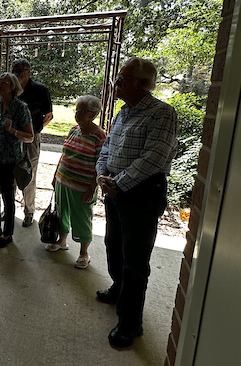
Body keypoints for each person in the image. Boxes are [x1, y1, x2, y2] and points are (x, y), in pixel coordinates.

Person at [95, 58, 178, 349]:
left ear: (143, 84)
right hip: (114, 190)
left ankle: (131, 323)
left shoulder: (162, 113)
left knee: (135, 260)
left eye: (123, 79)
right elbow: (107, 147)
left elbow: (154, 159)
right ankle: (118, 290)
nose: (116, 83)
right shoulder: (123, 113)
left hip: (141, 194)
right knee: (113, 246)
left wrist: (118, 183)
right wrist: (102, 175)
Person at [47, 95, 106, 269]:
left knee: (82, 219)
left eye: (82, 111)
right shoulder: (73, 130)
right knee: (62, 213)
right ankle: (62, 241)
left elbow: (100, 165)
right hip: (62, 181)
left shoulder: (99, 137)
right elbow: (64, 154)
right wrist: (55, 175)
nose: (77, 114)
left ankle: (84, 253)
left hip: (82, 187)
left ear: (93, 114)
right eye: (77, 110)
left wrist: (92, 188)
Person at [0, 73, 33, 248]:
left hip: (9, 160)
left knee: (8, 197)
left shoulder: (21, 108)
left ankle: (7, 233)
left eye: (5, 83)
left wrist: (13, 131)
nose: (0, 85)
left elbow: (30, 137)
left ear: (13, 86)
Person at [11, 59, 53, 227]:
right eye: (14, 70)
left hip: (31, 139)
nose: (16, 74)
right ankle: (9, 208)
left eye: (19, 70)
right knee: (10, 173)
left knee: (29, 173)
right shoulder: (12, 88)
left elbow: (49, 115)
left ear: (28, 71)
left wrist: (34, 131)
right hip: (11, 137)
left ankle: (29, 211)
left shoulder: (40, 90)